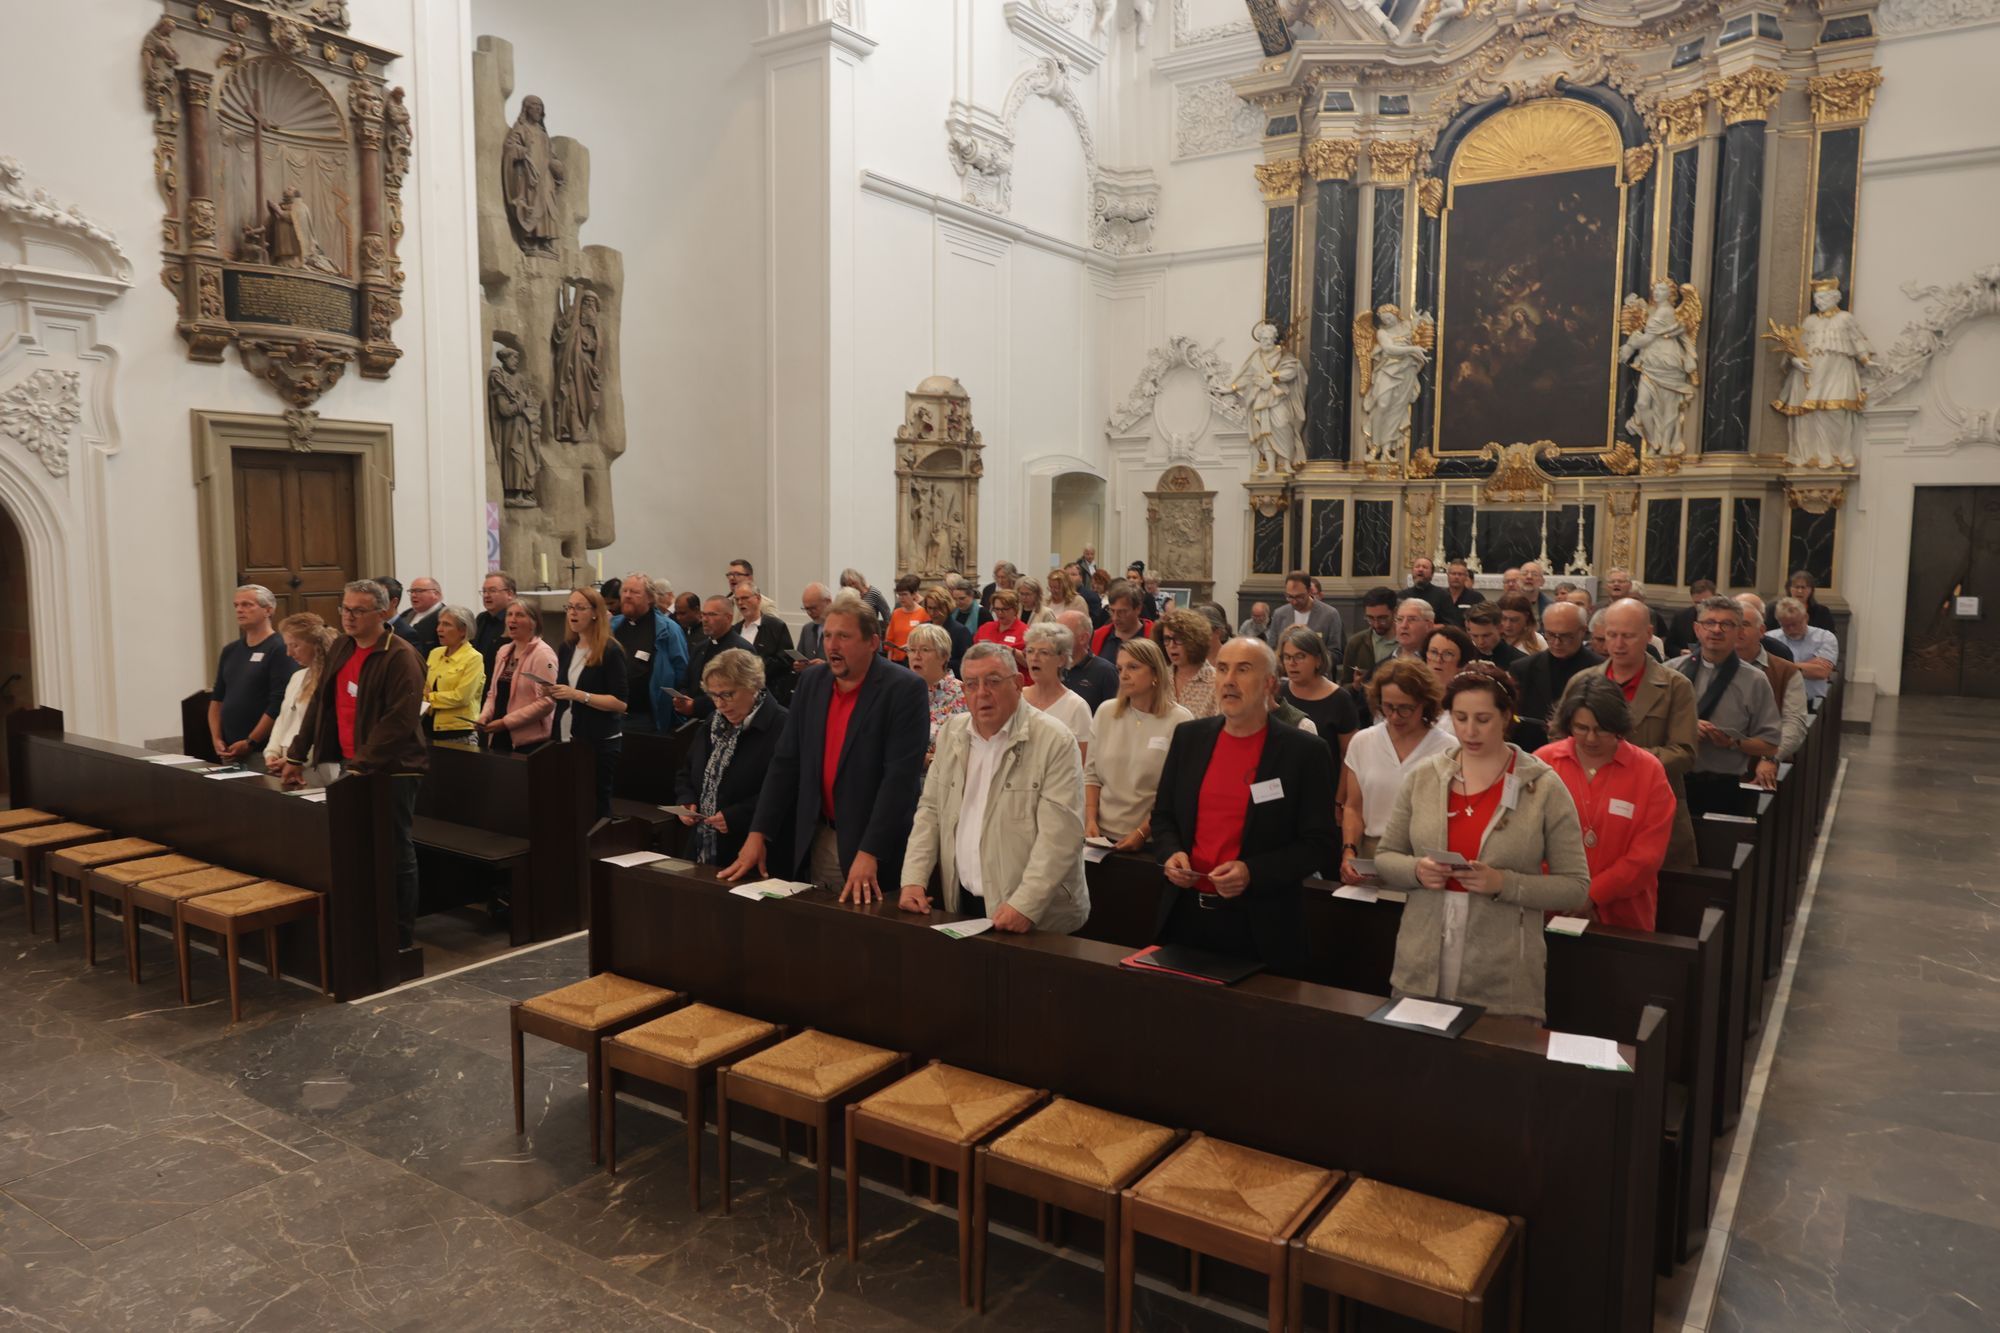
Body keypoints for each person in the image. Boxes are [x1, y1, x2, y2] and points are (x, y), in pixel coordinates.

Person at [1374, 664, 1589, 1022]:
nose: (1470, 731)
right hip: (1421, 960)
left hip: (1502, 973)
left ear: (1506, 717)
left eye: (1483, 719)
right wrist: (1417, 870)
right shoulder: (1425, 776)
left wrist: (1504, 883)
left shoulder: (1543, 785)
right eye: (1460, 718)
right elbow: (1385, 858)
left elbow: (1576, 887)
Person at [1150, 637, 1338, 975]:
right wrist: (1170, 853)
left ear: (1269, 683)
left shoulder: (1304, 752)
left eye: (1243, 669)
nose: (1229, 680)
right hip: (1186, 914)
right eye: (1222, 669)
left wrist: (1253, 872)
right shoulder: (1189, 738)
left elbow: (1319, 844)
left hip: (1261, 923)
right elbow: (1163, 816)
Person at [723, 599, 928, 898]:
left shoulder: (903, 689)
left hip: (873, 842)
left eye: (844, 636)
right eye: (828, 635)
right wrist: (759, 832)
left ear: (873, 642)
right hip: (818, 833)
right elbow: (786, 762)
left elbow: (899, 781)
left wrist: (870, 851)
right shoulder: (811, 682)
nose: (832, 645)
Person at [896, 643, 1090, 934]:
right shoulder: (953, 733)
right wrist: (913, 878)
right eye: (972, 685)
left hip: (1036, 913)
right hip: (961, 903)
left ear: (1017, 684)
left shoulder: (1055, 740)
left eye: (993, 682)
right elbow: (930, 811)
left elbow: (1060, 837)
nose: (982, 693)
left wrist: (1025, 904)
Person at [280, 581, 428, 948]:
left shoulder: (400, 656)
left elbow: (399, 720)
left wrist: (361, 766)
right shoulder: (343, 647)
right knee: (358, 846)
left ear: (383, 613)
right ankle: (367, 922)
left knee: (395, 849)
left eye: (358, 611)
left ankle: (400, 935)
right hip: (352, 763)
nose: (348, 617)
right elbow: (322, 703)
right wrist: (297, 754)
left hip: (393, 767)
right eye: (344, 609)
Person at [1534, 676, 1676, 931]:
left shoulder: (1648, 771)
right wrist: (1566, 894)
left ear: (1619, 726)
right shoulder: (1543, 763)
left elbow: (1647, 856)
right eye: (1581, 728)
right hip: (1548, 910)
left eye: (1601, 729)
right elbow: (1528, 840)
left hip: (1623, 917)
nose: (1590, 738)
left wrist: (1592, 895)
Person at [1576, 598, 1699, 867]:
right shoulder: (1583, 681)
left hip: (1650, 809)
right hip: (1588, 807)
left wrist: (1623, 759)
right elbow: (1560, 739)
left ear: (1648, 634)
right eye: (1612, 635)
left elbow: (1684, 753)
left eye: (1628, 636)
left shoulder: (1675, 686)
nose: (1618, 644)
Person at [1338, 659, 1457, 878]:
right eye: (1388, 707)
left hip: (1424, 858)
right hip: (1370, 854)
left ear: (1424, 704)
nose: (1394, 716)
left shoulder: (1449, 748)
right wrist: (1349, 850)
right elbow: (1353, 807)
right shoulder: (1363, 742)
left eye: (1405, 709)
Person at [1670, 596, 1782, 819]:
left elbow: (1770, 745)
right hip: (1672, 781)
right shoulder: (1671, 672)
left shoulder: (1754, 680)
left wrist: (1733, 742)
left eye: (1726, 624)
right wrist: (1686, 727)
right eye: (1709, 623)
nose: (1716, 630)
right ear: (1697, 629)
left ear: (1738, 631)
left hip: (1723, 787)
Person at [675, 648, 787, 867]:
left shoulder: (782, 726)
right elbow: (687, 771)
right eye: (714, 695)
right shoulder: (713, 722)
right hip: (705, 843)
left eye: (728, 694)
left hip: (754, 848)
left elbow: (785, 791)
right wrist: (685, 799)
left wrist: (737, 816)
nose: (720, 704)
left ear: (753, 686)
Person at [1084, 638, 1191, 853]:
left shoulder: (1179, 720)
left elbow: (1176, 792)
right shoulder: (1106, 712)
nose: (1123, 675)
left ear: (1155, 674)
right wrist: (1090, 820)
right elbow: (1092, 774)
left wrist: (1142, 833)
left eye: (1133, 667)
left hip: (1151, 839)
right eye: (1120, 668)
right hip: (1100, 836)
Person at [546, 588, 629, 820]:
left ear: (595, 613)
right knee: (567, 801)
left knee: (594, 802)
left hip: (598, 740)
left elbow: (620, 703)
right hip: (565, 734)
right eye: (569, 607)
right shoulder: (567, 648)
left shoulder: (610, 650)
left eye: (580, 608)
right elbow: (567, 689)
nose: (572, 613)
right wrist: (554, 691)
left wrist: (577, 694)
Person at [208, 584, 297, 762]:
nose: (240, 610)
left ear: (268, 610)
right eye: (236, 605)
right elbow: (217, 699)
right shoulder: (230, 650)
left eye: (247, 605)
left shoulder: (280, 648)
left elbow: (277, 703)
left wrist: (251, 741)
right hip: (229, 747)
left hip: (261, 750)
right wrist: (216, 738)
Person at [1510, 600, 1600, 753]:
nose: (1557, 643)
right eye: (1550, 635)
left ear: (1583, 631)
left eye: (1566, 636)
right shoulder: (1523, 668)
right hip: (1533, 751)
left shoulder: (1599, 669)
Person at [1736, 593, 1806, 784]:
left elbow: (1794, 722)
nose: (1737, 631)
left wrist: (1770, 757)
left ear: (1761, 631)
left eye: (1745, 625)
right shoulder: (1708, 665)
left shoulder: (1785, 671)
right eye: (1732, 625)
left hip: (1759, 765)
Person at [609, 573, 689, 733]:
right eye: (624, 591)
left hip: (647, 718)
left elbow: (682, 672)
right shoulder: (612, 626)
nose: (628, 596)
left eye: (635, 592)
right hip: (612, 714)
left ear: (650, 598)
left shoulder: (668, 630)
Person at [476, 599, 558, 753]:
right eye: (509, 614)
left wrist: (507, 722)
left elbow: (547, 702)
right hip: (499, 733)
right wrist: (484, 716)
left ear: (533, 622)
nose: (512, 619)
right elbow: (493, 693)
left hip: (528, 741)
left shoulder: (543, 655)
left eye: (520, 615)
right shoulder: (503, 651)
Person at [265, 613, 337, 779]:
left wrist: (295, 760)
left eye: (295, 646)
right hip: (288, 760)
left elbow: (322, 729)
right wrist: (272, 752)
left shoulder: (328, 679)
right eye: (287, 646)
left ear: (315, 646)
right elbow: (283, 719)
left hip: (315, 765)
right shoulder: (297, 677)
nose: (289, 653)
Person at [1276, 626, 1359, 759]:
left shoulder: (1340, 699)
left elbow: (1349, 756)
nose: (1292, 663)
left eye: (1300, 656)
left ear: (1318, 660)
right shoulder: (1279, 692)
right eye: (1287, 657)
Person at [1022, 623, 1094, 761]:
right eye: (1030, 651)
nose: (1034, 658)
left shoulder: (1076, 706)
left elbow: (1084, 764)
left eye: (1043, 652)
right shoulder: (1017, 699)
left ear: (1062, 659)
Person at [679, 596, 753, 721]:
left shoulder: (741, 651)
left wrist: (696, 705)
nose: (705, 620)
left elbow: (740, 694)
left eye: (712, 615)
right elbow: (687, 681)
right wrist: (683, 698)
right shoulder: (699, 648)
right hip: (694, 721)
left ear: (728, 618)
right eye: (703, 614)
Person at [422, 605, 486, 741]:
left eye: (446, 624)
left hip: (458, 732)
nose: (439, 629)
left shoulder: (473, 658)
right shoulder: (435, 653)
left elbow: (462, 697)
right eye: (439, 623)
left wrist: (430, 698)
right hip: (428, 727)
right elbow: (424, 686)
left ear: (463, 630)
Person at [906, 621, 967, 762]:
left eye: (925, 650)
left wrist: (927, 760)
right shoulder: (900, 692)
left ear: (944, 656)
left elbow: (965, 750)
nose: (916, 656)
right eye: (911, 650)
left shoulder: (962, 693)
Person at [731, 584, 796, 705]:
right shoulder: (735, 630)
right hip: (739, 695)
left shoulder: (776, 627)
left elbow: (785, 660)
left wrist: (753, 668)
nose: (740, 603)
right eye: (737, 599)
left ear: (758, 599)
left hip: (769, 694)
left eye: (745, 598)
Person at [1773, 596, 1838, 709]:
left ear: (1806, 617)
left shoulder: (1825, 637)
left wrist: (1781, 665)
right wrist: (1808, 664)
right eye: (1786, 626)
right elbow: (1766, 670)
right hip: (1778, 703)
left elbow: (1821, 672)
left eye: (1796, 624)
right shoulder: (1770, 639)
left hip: (1812, 703)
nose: (1792, 629)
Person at [1265, 570, 1344, 658]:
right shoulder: (1279, 614)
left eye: (1299, 597)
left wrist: (1311, 661)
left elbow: (1336, 653)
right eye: (1290, 597)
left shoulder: (1330, 614)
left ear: (1309, 591)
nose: (1294, 602)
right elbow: (1271, 650)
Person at [1159, 607, 1219, 719]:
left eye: (1178, 639)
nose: (1172, 646)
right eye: (1167, 639)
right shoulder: (1160, 678)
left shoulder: (1216, 681)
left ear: (1195, 640)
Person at [1057, 609, 1118, 713]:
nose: (1055, 638)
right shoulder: (1052, 667)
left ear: (1083, 638)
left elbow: (1115, 715)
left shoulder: (1105, 672)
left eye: (1062, 633)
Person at [1343, 587, 1401, 686]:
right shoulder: (1356, 643)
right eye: (1370, 618)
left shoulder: (1406, 643)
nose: (1376, 624)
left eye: (1382, 618)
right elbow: (1345, 685)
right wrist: (1355, 688)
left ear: (1395, 612)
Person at [974, 588, 1032, 682]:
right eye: (997, 609)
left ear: (1015, 609)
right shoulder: (985, 628)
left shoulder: (1026, 632)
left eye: (1004, 609)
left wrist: (1011, 651)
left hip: (1014, 683)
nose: (1000, 613)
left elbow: (1030, 664)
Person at [1091, 581, 1154, 663]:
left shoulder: (1154, 636)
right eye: (1112, 611)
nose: (1115, 618)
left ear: (1138, 609)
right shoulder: (1098, 636)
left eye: (1122, 612)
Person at [1603, 567, 1669, 642]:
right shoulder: (1598, 611)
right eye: (1612, 582)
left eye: (1621, 581)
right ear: (1606, 586)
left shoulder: (1646, 612)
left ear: (1630, 585)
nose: (1616, 584)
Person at [1373, 597, 1435, 675]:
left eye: (1412, 619)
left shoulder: (1437, 664)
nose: (1404, 625)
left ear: (1428, 626)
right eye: (1399, 619)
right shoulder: (1381, 667)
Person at [1461, 601, 1524, 675]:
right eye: (1475, 636)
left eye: (1486, 635)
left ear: (1500, 628)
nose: (1480, 642)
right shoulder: (1463, 658)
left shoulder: (1519, 663)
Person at [1767, 568, 1837, 635]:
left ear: (1811, 590)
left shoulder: (1822, 612)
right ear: (1789, 589)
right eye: (1796, 587)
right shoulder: (1774, 608)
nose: (1800, 591)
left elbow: (1829, 635)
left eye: (1803, 587)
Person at [921, 585, 971, 676]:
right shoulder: (922, 629)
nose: (932, 613)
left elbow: (966, 662)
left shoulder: (960, 631)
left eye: (936, 608)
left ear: (946, 606)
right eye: (929, 608)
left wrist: (938, 662)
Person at [473, 572, 515, 677]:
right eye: (484, 591)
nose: (486, 595)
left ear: (509, 594)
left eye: (492, 590)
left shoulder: (514, 621)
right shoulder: (481, 619)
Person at [391, 577, 444, 657]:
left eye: (419, 591)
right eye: (411, 591)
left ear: (435, 594)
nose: (413, 595)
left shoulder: (444, 617)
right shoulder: (406, 614)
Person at [1400, 557, 1460, 626]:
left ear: (1432, 574)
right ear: (1412, 571)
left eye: (1425, 567)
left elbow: (1449, 624)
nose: (1420, 569)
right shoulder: (1402, 596)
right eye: (1417, 566)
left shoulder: (1443, 596)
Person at [1666, 578, 1715, 660]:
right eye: (1697, 603)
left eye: (1706, 602)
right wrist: (1680, 652)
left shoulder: (1722, 619)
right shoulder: (1681, 617)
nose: (1702, 606)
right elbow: (1668, 646)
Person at [886, 575, 929, 663]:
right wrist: (889, 662)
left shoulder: (923, 613)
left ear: (913, 594)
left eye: (904, 594)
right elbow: (890, 640)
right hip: (896, 660)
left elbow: (926, 639)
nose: (901, 598)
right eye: (899, 595)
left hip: (914, 659)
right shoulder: (896, 613)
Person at [797, 582, 833, 666]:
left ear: (828, 602)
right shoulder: (807, 629)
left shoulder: (841, 629)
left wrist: (825, 666)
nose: (809, 613)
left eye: (813, 608)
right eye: (806, 609)